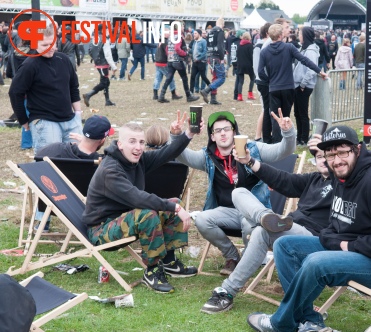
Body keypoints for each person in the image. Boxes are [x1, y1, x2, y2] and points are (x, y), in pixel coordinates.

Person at [247, 125, 371, 332]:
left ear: (357, 149)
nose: (337, 160)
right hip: (362, 256)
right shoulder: (341, 178)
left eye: (342, 152)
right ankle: (310, 321)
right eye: (330, 155)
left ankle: (281, 324)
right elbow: (337, 226)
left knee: (317, 262)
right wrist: (336, 241)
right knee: (285, 246)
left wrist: (349, 245)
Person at [200, 134, 332, 314]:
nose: (323, 160)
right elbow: (281, 179)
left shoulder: (345, 183)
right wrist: (249, 161)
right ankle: (265, 217)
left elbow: (361, 166)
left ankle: (227, 291)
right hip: (289, 227)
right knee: (239, 192)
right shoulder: (313, 180)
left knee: (261, 232)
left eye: (328, 156)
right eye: (319, 157)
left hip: (312, 237)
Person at [82, 113, 202, 293]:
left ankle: (169, 262)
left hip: (124, 220)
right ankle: (152, 270)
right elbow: (137, 198)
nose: (138, 147)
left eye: (141, 142)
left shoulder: (137, 160)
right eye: (132, 142)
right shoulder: (110, 170)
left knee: (172, 203)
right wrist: (176, 208)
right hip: (102, 230)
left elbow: (167, 153)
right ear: (120, 144)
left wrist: (188, 134)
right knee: (149, 213)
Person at [170, 110, 296, 276]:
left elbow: (283, 151)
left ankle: (250, 258)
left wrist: (287, 132)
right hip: (227, 213)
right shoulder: (207, 157)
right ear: (212, 136)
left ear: (234, 132)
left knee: (247, 223)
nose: (223, 133)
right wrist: (175, 135)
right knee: (201, 219)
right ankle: (232, 256)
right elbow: (180, 155)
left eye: (227, 129)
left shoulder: (254, 150)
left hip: (254, 213)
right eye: (217, 130)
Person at [8, 23, 83, 154]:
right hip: (44, 122)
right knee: (50, 162)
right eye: (44, 45)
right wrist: (23, 121)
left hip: (70, 120)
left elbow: (73, 86)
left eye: (52, 43)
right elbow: (15, 92)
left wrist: (78, 114)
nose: (50, 48)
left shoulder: (63, 59)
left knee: (77, 158)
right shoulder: (29, 65)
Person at [34, 115, 114, 232]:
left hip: (56, 202)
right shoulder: (102, 163)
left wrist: (84, 142)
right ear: (102, 140)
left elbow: (38, 158)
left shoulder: (53, 151)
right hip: (85, 210)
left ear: (83, 132)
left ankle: (43, 222)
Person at [259, 24, 327, 144]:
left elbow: (260, 72)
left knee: (275, 118)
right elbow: (305, 60)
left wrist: (269, 80)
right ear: (281, 35)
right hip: (288, 88)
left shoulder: (264, 51)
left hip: (274, 88)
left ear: (270, 36)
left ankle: (277, 142)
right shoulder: (289, 47)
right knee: (285, 116)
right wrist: (319, 71)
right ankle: (285, 142)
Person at [293, 27, 320, 146]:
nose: (298, 36)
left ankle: (304, 138)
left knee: (302, 112)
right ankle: (299, 136)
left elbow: (312, 69)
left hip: (304, 85)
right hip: (299, 84)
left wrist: (303, 83)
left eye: (300, 34)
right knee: (297, 112)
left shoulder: (310, 51)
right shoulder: (305, 49)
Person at [157, 27, 199, 103]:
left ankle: (161, 96)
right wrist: (185, 54)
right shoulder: (178, 37)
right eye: (182, 26)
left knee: (169, 78)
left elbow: (167, 48)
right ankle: (188, 96)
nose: (184, 28)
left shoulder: (170, 37)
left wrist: (170, 55)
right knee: (184, 78)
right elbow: (177, 48)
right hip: (178, 61)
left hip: (170, 60)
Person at [83, 25, 118, 107]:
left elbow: (90, 51)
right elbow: (108, 55)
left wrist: (95, 59)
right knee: (103, 83)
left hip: (98, 63)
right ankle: (88, 95)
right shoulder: (104, 40)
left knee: (106, 82)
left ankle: (107, 100)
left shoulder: (94, 38)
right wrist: (114, 66)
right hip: (103, 64)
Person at [200, 17, 226, 105]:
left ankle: (213, 99)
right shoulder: (220, 31)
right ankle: (206, 90)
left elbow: (208, 44)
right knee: (222, 78)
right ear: (223, 24)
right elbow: (220, 46)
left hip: (210, 56)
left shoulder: (210, 32)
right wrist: (222, 58)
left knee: (215, 77)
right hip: (217, 57)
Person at [253, 23, 272, 143]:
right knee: (265, 109)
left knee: (267, 109)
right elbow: (257, 67)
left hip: (266, 81)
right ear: (268, 33)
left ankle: (261, 135)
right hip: (262, 82)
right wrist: (264, 79)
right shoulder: (259, 46)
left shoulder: (268, 45)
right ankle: (258, 136)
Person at [153, 29, 182, 102]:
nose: (170, 34)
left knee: (158, 78)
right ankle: (173, 93)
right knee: (170, 78)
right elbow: (168, 52)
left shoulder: (160, 41)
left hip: (158, 62)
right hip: (164, 63)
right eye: (168, 33)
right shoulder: (166, 42)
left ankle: (155, 94)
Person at [189, 29, 211, 95]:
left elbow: (205, 52)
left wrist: (198, 58)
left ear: (199, 34)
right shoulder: (194, 42)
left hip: (201, 62)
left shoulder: (203, 41)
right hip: (195, 63)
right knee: (192, 77)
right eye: (193, 33)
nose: (194, 34)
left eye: (195, 33)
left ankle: (211, 88)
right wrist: (187, 51)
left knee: (203, 77)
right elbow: (193, 51)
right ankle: (191, 92)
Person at [235, 32, 255, 102]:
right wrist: (254, 64)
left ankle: (239, 96)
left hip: (240, 65)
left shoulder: (239, 45)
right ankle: (250, 94)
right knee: (253, 78)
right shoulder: (250, 45)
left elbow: (237, 55)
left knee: (241, 81)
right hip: (248, 65)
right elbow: (251, 56)